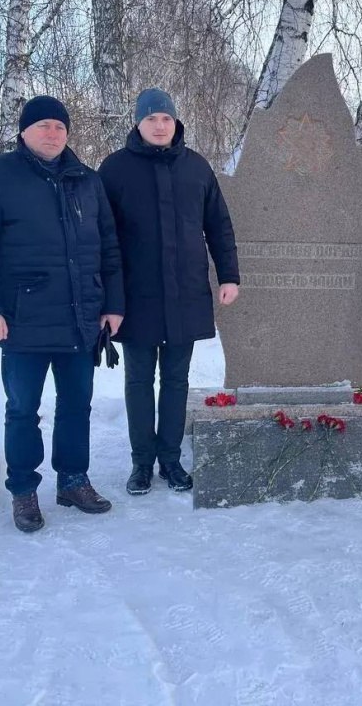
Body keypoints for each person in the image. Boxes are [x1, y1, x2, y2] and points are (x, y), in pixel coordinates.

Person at [0, 95, 125, 533]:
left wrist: (113, 304)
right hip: (22, 318)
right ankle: (23, 490)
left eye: (60, 126)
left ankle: (73, 480)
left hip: (80, 317)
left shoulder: (86, 180)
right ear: (24, 131)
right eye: (43, 125)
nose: (53, 133)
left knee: (76, 406)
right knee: (22, 409)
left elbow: (109, 247)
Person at [99, 88, 239, 496]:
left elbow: (219, 225)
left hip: (186, 293)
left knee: (177, 381)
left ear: (176, 122)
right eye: (151, 119)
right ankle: (142, 463)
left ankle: (171, 461)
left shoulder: (196, 167)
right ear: (137, 122)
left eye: (166, 118)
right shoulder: (115, 169)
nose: (160, 126)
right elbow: (102, 237)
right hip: (136, 297)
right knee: (139, 381)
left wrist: (229, 276)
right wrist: (107, 297)